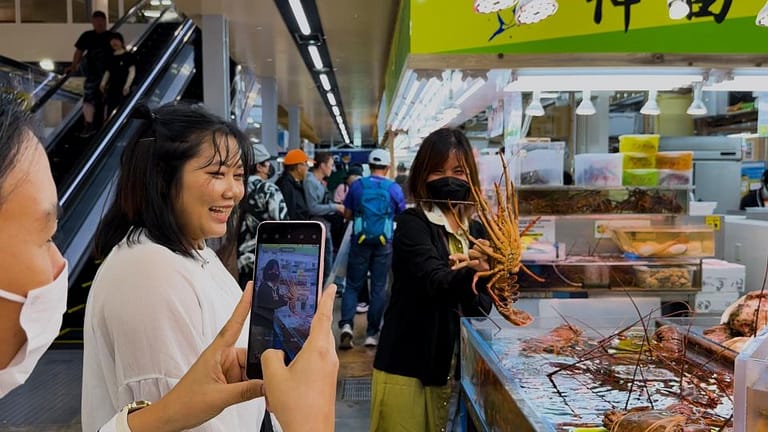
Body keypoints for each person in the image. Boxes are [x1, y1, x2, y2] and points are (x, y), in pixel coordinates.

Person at [0, 92, 337, 431]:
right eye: (218, 173)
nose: (234, 191)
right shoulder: (147, 274)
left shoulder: (194, 252)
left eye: (238, 175)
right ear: (162, 178)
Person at [370, 128, 493, 432]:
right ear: (422, 176)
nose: (449, 178)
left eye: (458, 171)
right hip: (407, 368)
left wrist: (501, 270)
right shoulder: (413, 224)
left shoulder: (477, 232)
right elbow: (436, 281)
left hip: (453, 371)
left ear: (471, 177)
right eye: (438, 170)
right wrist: (475, 270)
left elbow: (480, 308)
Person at [339, 149, 406, 349]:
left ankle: (347, 326)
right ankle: (372, 334)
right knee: (378, 287)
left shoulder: (358, 186)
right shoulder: (394, 189)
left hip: (359, 242)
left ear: (369, 165)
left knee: (352, 285)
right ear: (387, 167)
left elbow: (347, 215)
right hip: (384, 243)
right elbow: (400, 216)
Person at [237, 144, 287, 286]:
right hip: (265, 258)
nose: (269, 167)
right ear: (259, 167)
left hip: (240, 258)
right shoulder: (269, 189)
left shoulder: (237, 189)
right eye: (267, 163)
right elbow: (282, 223)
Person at [66, 10, 114, 136]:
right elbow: (78, 52)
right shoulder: (87, 35)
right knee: (89, 99)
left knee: (106, 99)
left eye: (101, 22)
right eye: (96, 22)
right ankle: (89, 124)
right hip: (92, 74)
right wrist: (74, 67)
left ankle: (107, 125)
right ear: (92, 22)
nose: (99, 24)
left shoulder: (112, 36)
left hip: (108, 73)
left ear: (105, 22)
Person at [304, 152, 345, 283]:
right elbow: (313, 207)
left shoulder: (319, 183)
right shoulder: (310, 182)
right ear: (322, 165)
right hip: (316, 229)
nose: (332, 169)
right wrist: (335, 207)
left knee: (327, 266)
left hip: (324, 228)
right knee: (323, 267)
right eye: (331, 165)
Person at [100, 32, 135, 118]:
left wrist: (127, 86)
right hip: (112, 87)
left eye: (116, 40)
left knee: (121, 108)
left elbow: (132, 71)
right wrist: (103, 83)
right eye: (112, 40)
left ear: (121, 42)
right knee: (109, 109)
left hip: (123, 87)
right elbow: (108, 71)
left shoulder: (128, 55)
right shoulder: (110, 57)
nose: (114, 42)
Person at [275, 149, 310, 221]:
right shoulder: (286, 186)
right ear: (299, 167)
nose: (307, 168)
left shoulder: (293, 184)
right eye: (306, 164)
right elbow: (290, 214)